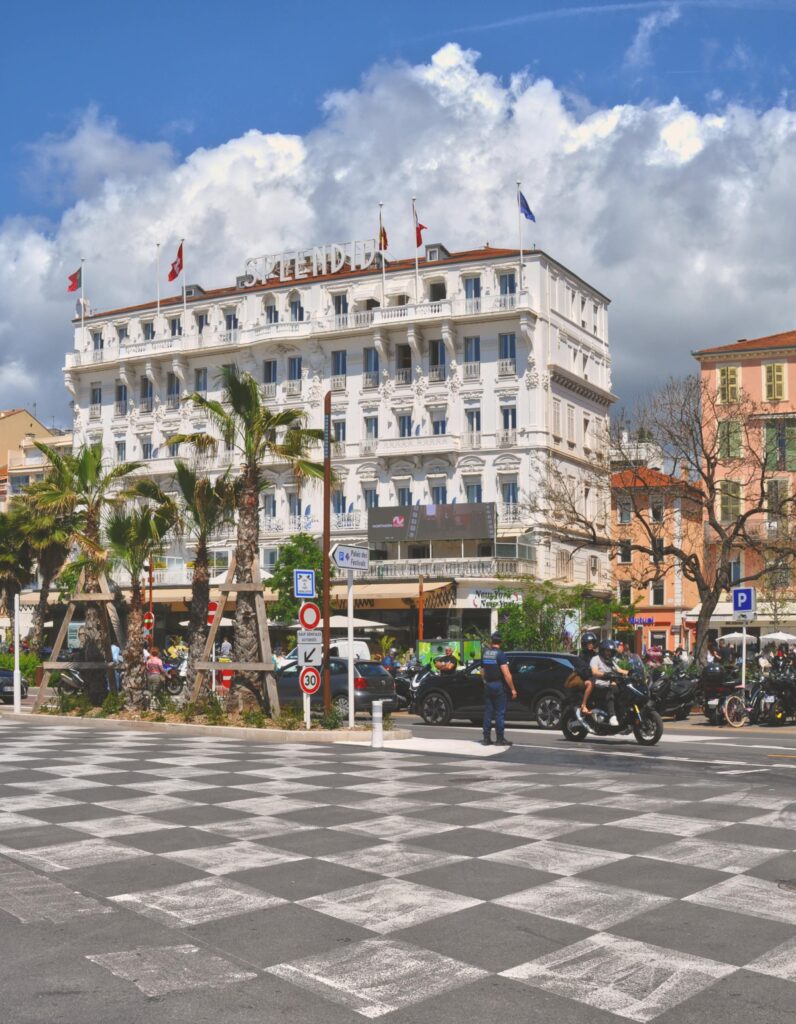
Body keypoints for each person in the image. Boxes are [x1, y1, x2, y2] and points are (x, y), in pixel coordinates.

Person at [480, 631, 517, 746]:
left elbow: (482, 671)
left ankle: (486, 738)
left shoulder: (485, 653)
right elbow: (506, 674)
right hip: (498, 685)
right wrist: (513, 689)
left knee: (488, 712)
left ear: (492, 641)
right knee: (499, 713)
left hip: (488, 685)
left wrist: (485, 681)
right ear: (500, 642)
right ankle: (499, 739)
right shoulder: (500, 654)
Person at [589, 638, 626, 727]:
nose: (609, 653)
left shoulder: (610, 661)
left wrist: (631, 672)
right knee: (610, 690)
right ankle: (612, 716)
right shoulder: (596, 659)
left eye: (610, 651)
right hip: (598, 685)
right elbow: (594, 672)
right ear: (602, 650)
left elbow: (619, 670)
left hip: (608, 684)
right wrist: (606, 674)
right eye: (607, 651)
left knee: (624, 690)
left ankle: (622, 715)